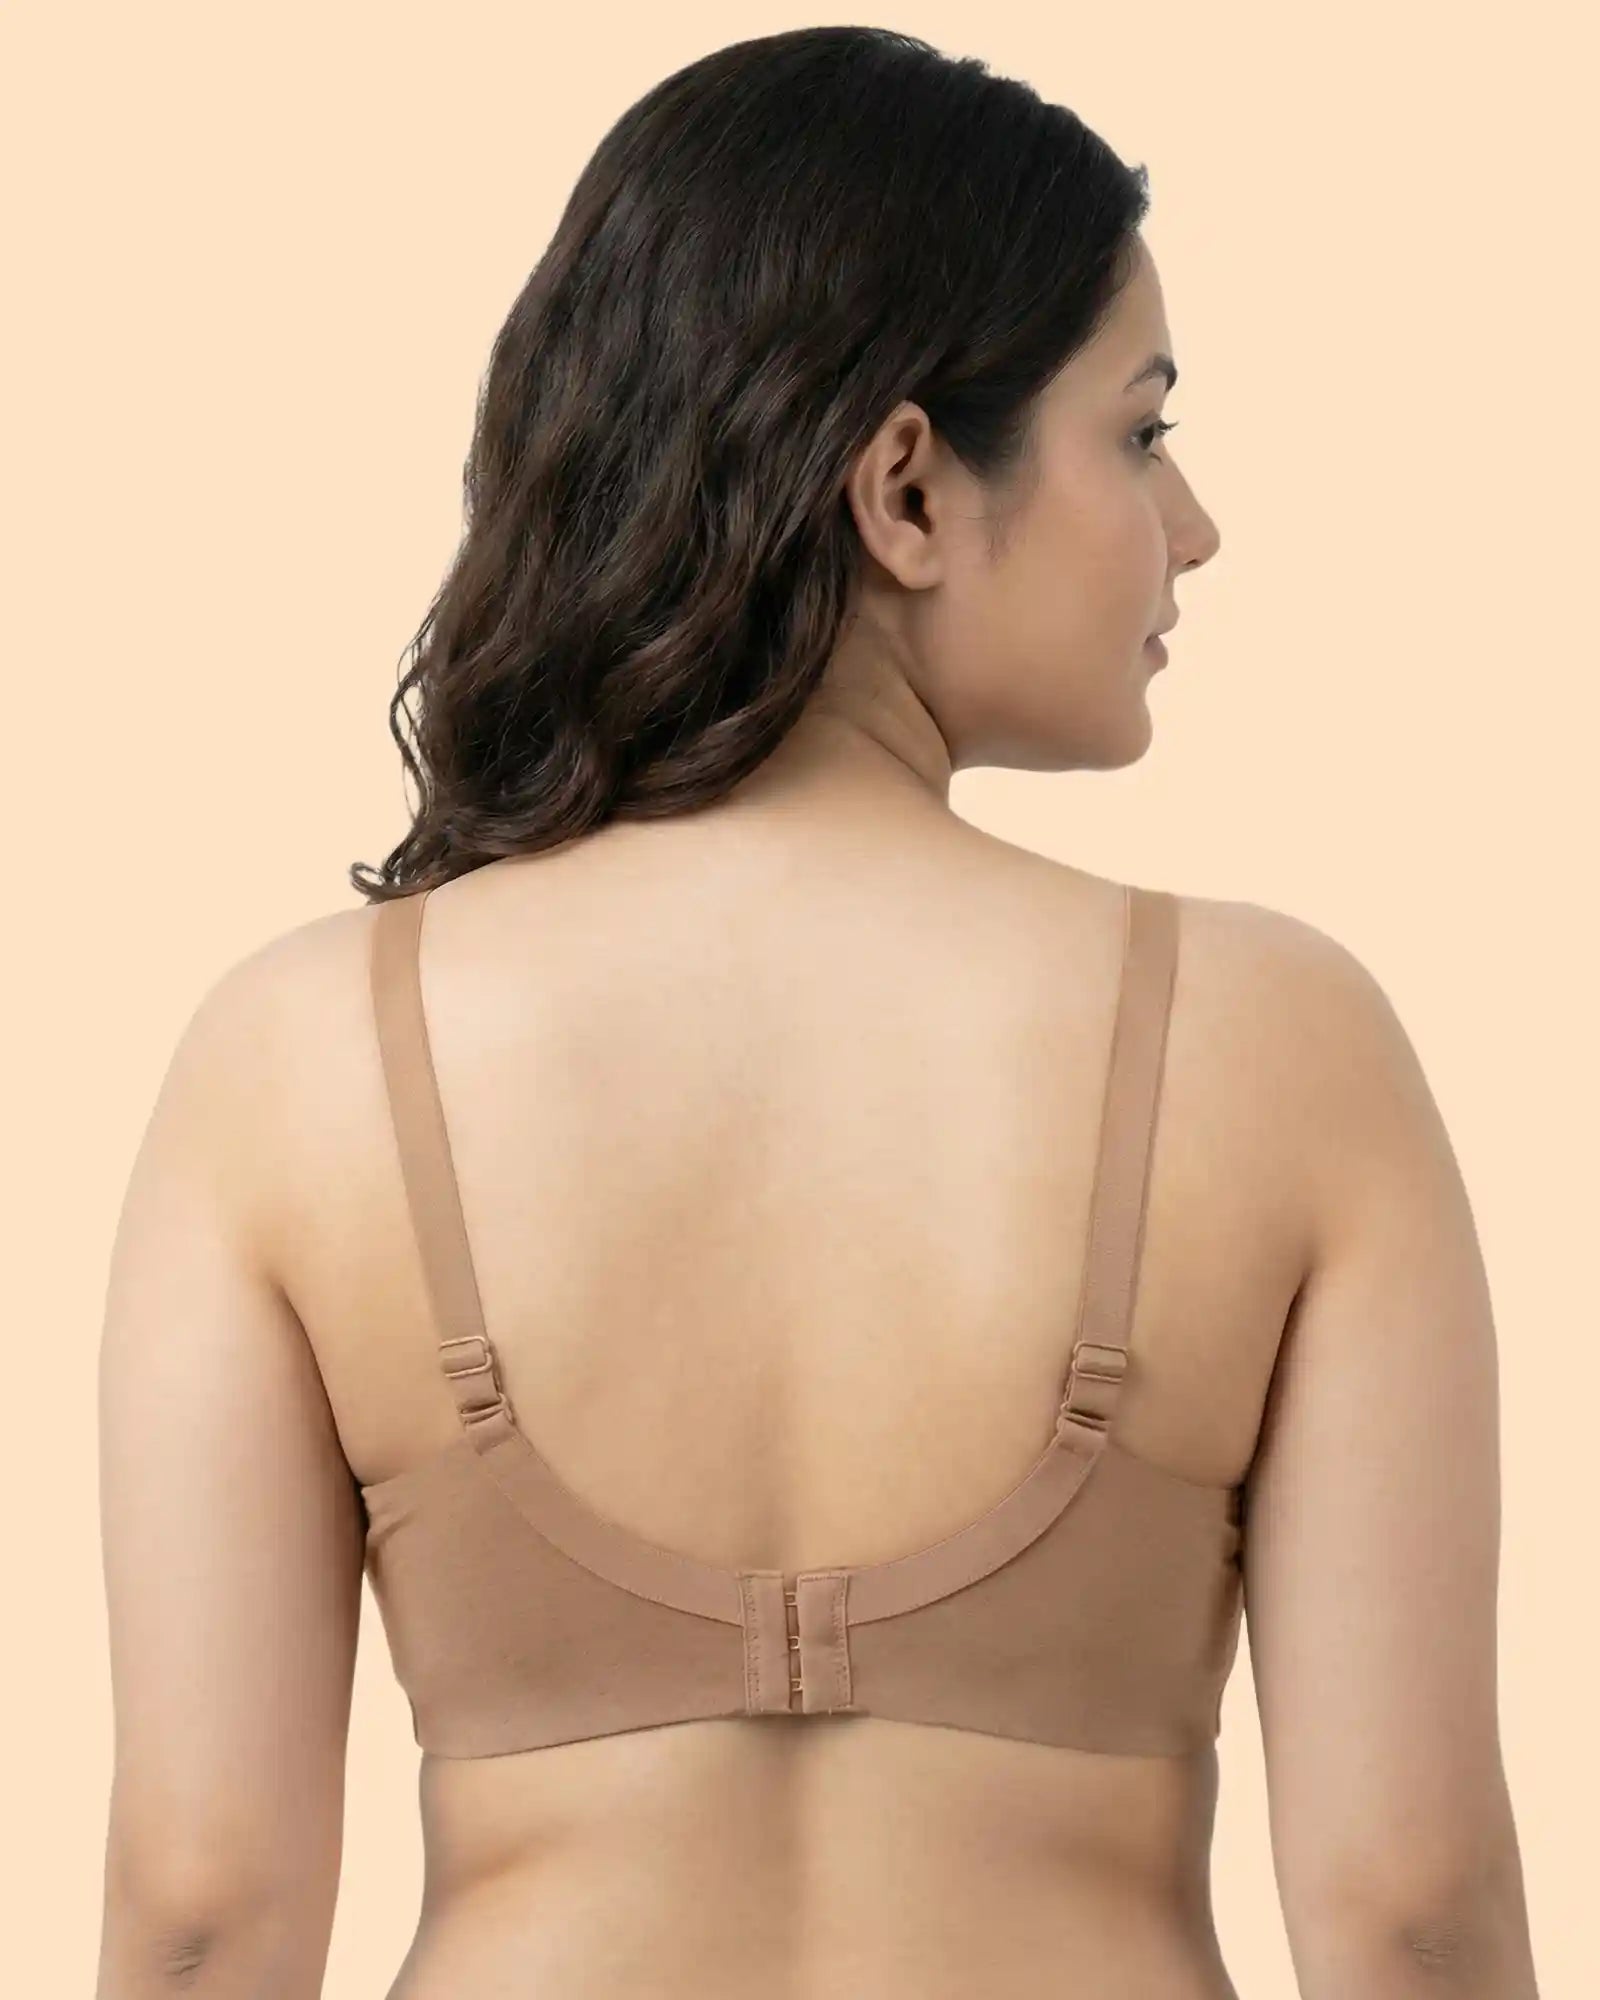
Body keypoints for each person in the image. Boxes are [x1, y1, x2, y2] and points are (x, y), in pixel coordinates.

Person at [94, 25, 1539, 2000]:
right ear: (906, 489)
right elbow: (1407, 1905)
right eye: (1139, 434)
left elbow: (202, 1907)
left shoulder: (298, 1059)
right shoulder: (1282, 1046)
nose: (1191, 525)